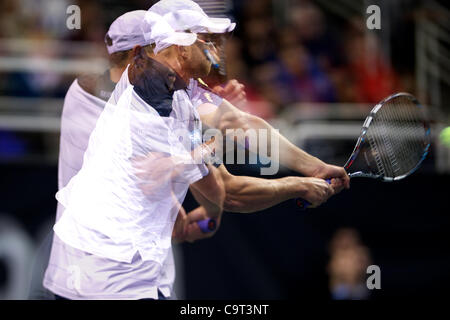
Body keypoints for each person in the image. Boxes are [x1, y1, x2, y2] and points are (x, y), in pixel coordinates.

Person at [42, 0, 348, 300]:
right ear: (152, 52)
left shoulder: (90, 91)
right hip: (118, 282)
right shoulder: (149, 108)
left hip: (82, 274)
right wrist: (300, 185)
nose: (214, 51)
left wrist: (314, 167)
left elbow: (237, 123)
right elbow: (225, 190)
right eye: (204, 40)